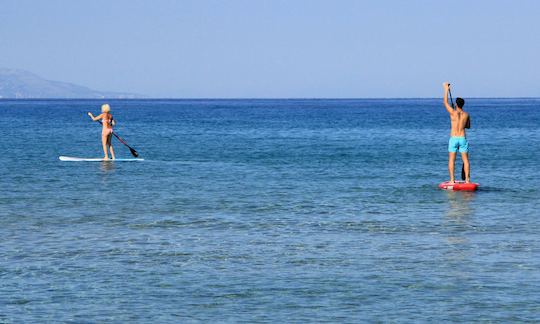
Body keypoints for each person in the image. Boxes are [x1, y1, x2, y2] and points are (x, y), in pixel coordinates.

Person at [443, 82, 470, 183]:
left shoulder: (452, 112)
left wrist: (446, 89)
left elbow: (445, 102)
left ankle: (452, 180)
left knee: (451, 160)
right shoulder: (466, 115)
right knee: (466, 161)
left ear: (456, 104)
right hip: (462, 138)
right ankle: (467, 181)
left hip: (454, 138)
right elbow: (468, 126)